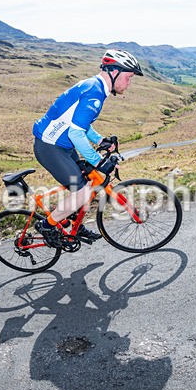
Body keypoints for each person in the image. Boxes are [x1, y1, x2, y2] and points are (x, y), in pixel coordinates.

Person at [32, 49, 143, 247]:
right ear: (114, 72)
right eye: (129, 77)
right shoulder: (94, 94)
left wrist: (101, 142)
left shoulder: (95, 88)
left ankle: (75, 224)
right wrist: (98, 161)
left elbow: (81, 124)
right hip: (50, 147)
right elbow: (76, 134)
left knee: (89, 182)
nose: (129, 83)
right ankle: (47, 226)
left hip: (62, 145)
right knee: (83, 191)